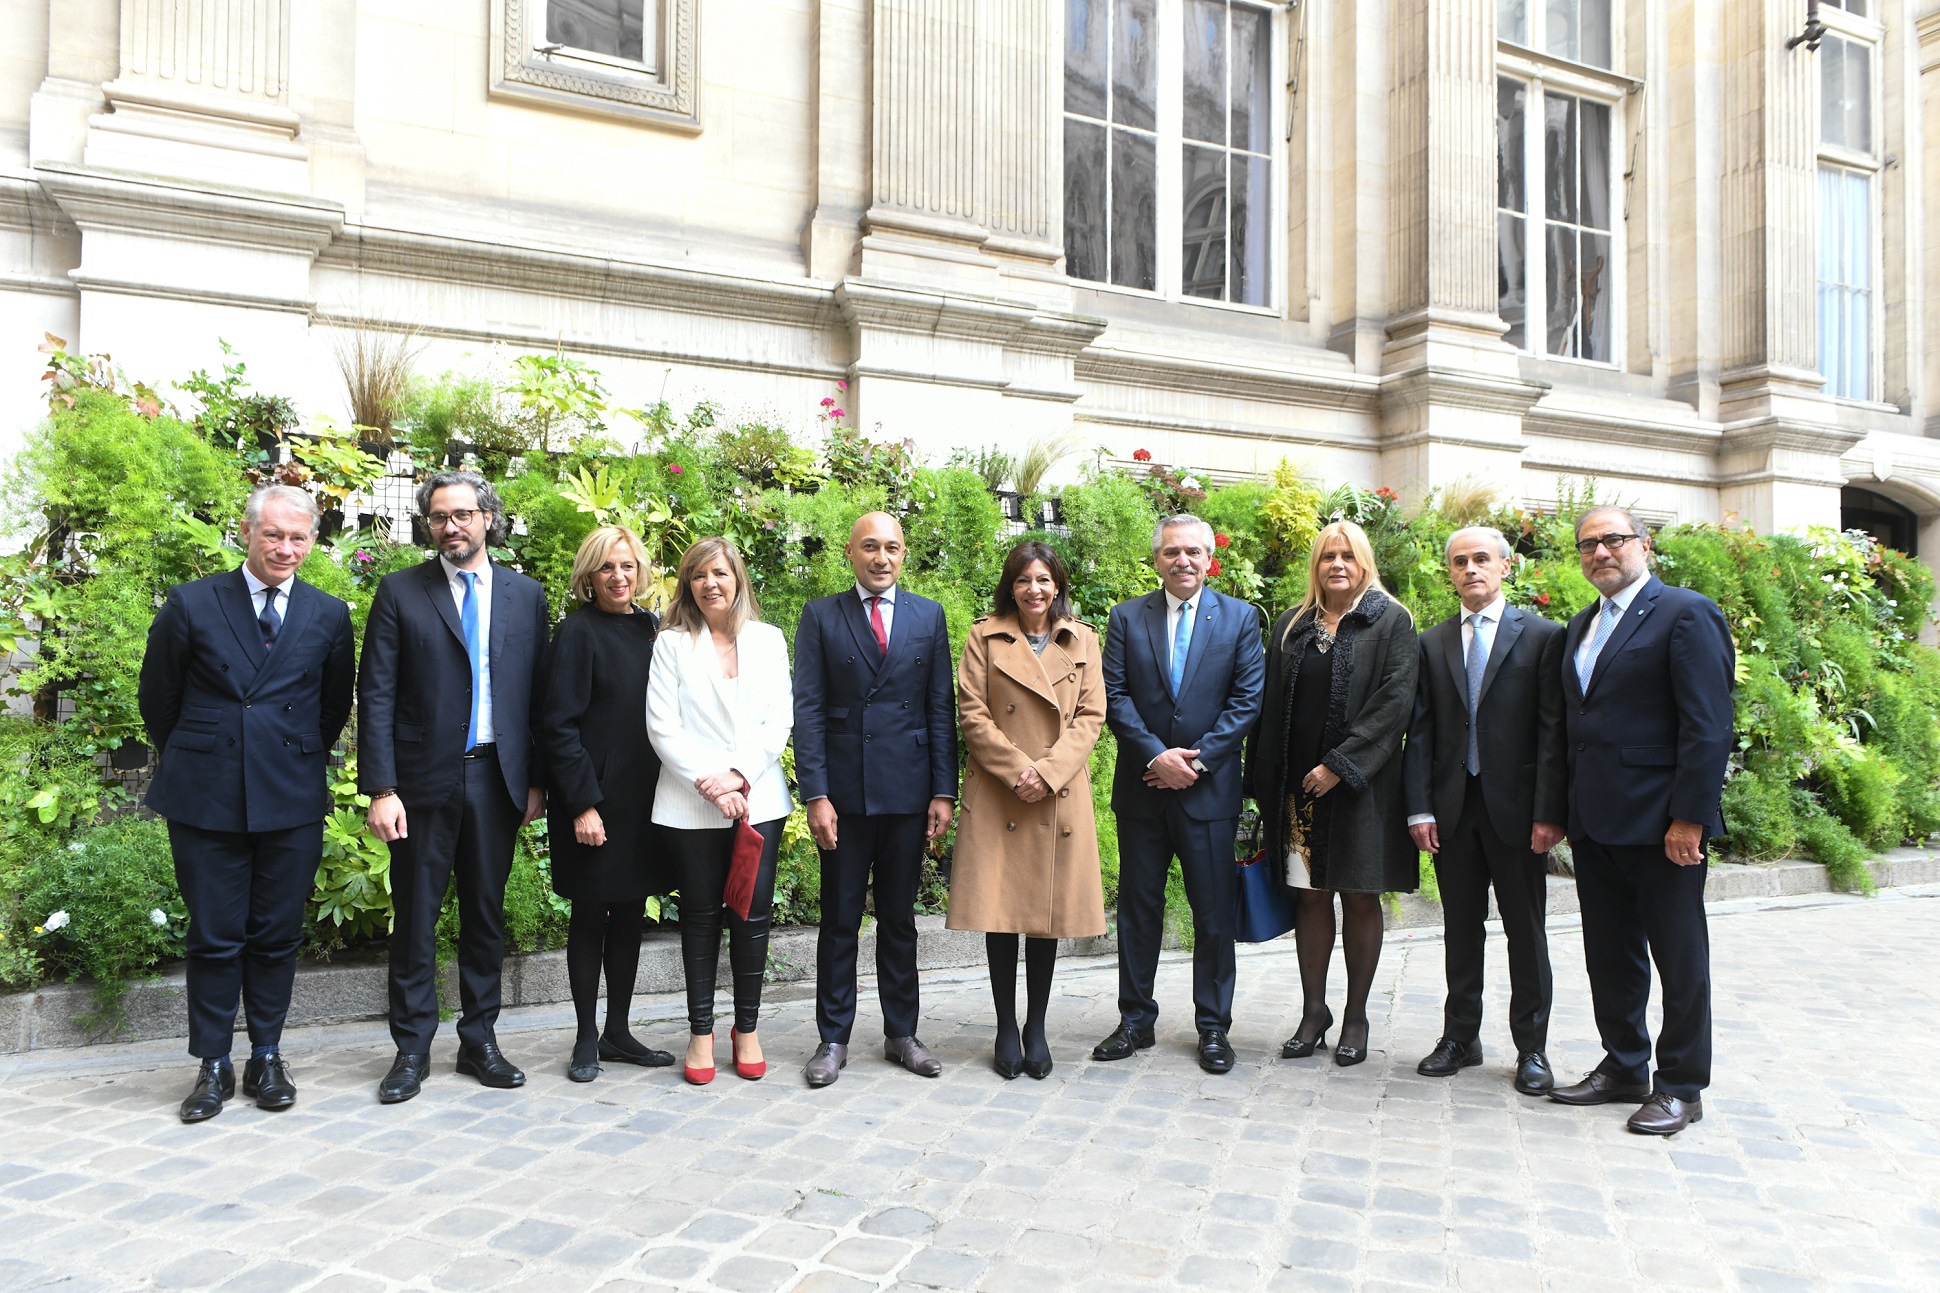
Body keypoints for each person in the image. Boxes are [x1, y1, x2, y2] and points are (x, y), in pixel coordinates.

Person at [137, 485, 356, 1123]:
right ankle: (212, 1064)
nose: (285, 548)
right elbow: (160, 703)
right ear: (247, 532)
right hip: (206, 793)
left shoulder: (327, 614)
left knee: (276, 934)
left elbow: (330, 709)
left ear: (313, 541)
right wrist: (209, 751)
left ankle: (266, 1054)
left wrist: (282, 752)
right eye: (274, 536)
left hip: (289, 792)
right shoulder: (193, 603)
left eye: (299, 538)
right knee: (213, 935)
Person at [360, 471, 550, 1104]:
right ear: (430, 525)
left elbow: (539, 697)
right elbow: (377, 693)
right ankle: (412, 1049)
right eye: (440, 517)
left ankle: (480, 1041)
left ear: (487, 519)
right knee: (416, 917)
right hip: (418, 784)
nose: (452, 526)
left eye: (463, 514)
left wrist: (536, 781)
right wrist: (380, 787)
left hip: (498, 779)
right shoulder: (400, 592)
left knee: (485, 917)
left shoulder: (526, 597)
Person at [1549, 507, 1734, 1135]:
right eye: (1588, 545)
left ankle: (1682, 1084)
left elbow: (1708, 728)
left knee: (1680, 958)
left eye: (1614, 540)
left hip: (1662, 826)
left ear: (1644, 546)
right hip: (1596, 821)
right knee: (1611, 954)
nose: (1601, 552)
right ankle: (1625, 1064)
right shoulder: (1581, 625)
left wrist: (1690, 819)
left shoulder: (1686, 613)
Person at [791, 512, 958, 1087]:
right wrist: (815, 793)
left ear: (903, 553)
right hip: (843, 793)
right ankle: (832, 1037)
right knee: (838, 920)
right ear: (850, 552)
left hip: (909, 791)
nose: (880, 557)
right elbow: (808, 710)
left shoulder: (927, 615)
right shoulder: (820, 615)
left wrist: (943, 790)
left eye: (891, 547)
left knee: (899, 920)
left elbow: (941, 707)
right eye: (869, 547)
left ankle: (902, 1034)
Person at [1096, 515, 1265, 1074]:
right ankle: (1135, 1021)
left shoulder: (1240, 619)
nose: (1182, 560)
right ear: (1157, 559)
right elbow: (1114, 695)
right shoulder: (1126, 618)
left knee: (1213, 915)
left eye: (1193, 551)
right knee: (1138, 911)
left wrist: (1196, 761)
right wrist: (1156, 755)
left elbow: (1246, 701)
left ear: (1209, 557)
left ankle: (1213, 1027)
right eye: (1172, 552)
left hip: (1208, 792)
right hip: (1143, 790)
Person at [1246, 520, 1417, 1067]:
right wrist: (1262, 780)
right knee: (1310, 897)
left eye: (1347, 555)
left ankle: (1357, 1016)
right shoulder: (1294, 625)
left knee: (1360, 897)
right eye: (1327, 557)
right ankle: (1314, 1011)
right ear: (1316, 567)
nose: (1337, 564)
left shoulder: (1391, 620)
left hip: (1361, 790)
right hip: (1300, 790)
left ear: (1364, 562)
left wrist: (1340, 766)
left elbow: (1396, 703)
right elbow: (1270, 708)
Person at [1402, 526, 1566, 1095]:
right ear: (1449, 573)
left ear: (1505, 566)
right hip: (1452, 811)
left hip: (1519, 815)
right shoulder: (1432, 643)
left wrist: (1550, 812)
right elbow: (1419, 733)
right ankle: (1460, 1038)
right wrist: (1419, 810)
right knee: (1459, 930)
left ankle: (1533, 1048)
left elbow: (1553, 733)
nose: (1470, 569)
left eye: (1481, 559)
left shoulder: (1544, 637)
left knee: (1527, 932)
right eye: (1459, 561)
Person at [948, 542, 1106, 1079]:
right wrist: (1019, 770)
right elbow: (972, 711)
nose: (1034, 590)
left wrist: (1048, 772)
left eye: (1043, 580)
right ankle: (1004, 1025)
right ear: (1010, 587)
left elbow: (1091, 715)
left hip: (1057, 792)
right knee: (1003, 911)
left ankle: (1035, 1024)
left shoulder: (1083, 638)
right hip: (1001, 791)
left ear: (1057, 585)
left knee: (1045, 917)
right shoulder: (984, 636)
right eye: (1023, 581)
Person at [645, 537, 793, 1085]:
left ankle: (747, 1029)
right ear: (688, 584)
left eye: (721, 573)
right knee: (702, 915)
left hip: (757, 799)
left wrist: (738, 777)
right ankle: (701, 1031)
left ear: (738, 581)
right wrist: (713, 785)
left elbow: (779, 720)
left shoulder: (770, 641)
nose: (711, 583)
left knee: (751, 916)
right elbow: (663, 727)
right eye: (700, 575)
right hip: (691, 802)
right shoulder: (672, 645)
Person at [540, 525, 675, 1082]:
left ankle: (618, 1031)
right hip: (595, 802)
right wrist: (581, 805)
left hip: (646, 799)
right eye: (606, 568)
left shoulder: (653, 629)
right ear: (588, 577)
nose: (619, 577)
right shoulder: (576, 631)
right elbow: (558, 726)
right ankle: (585, 1037)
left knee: (629, 918)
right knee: (592, 916)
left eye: (627, 566)